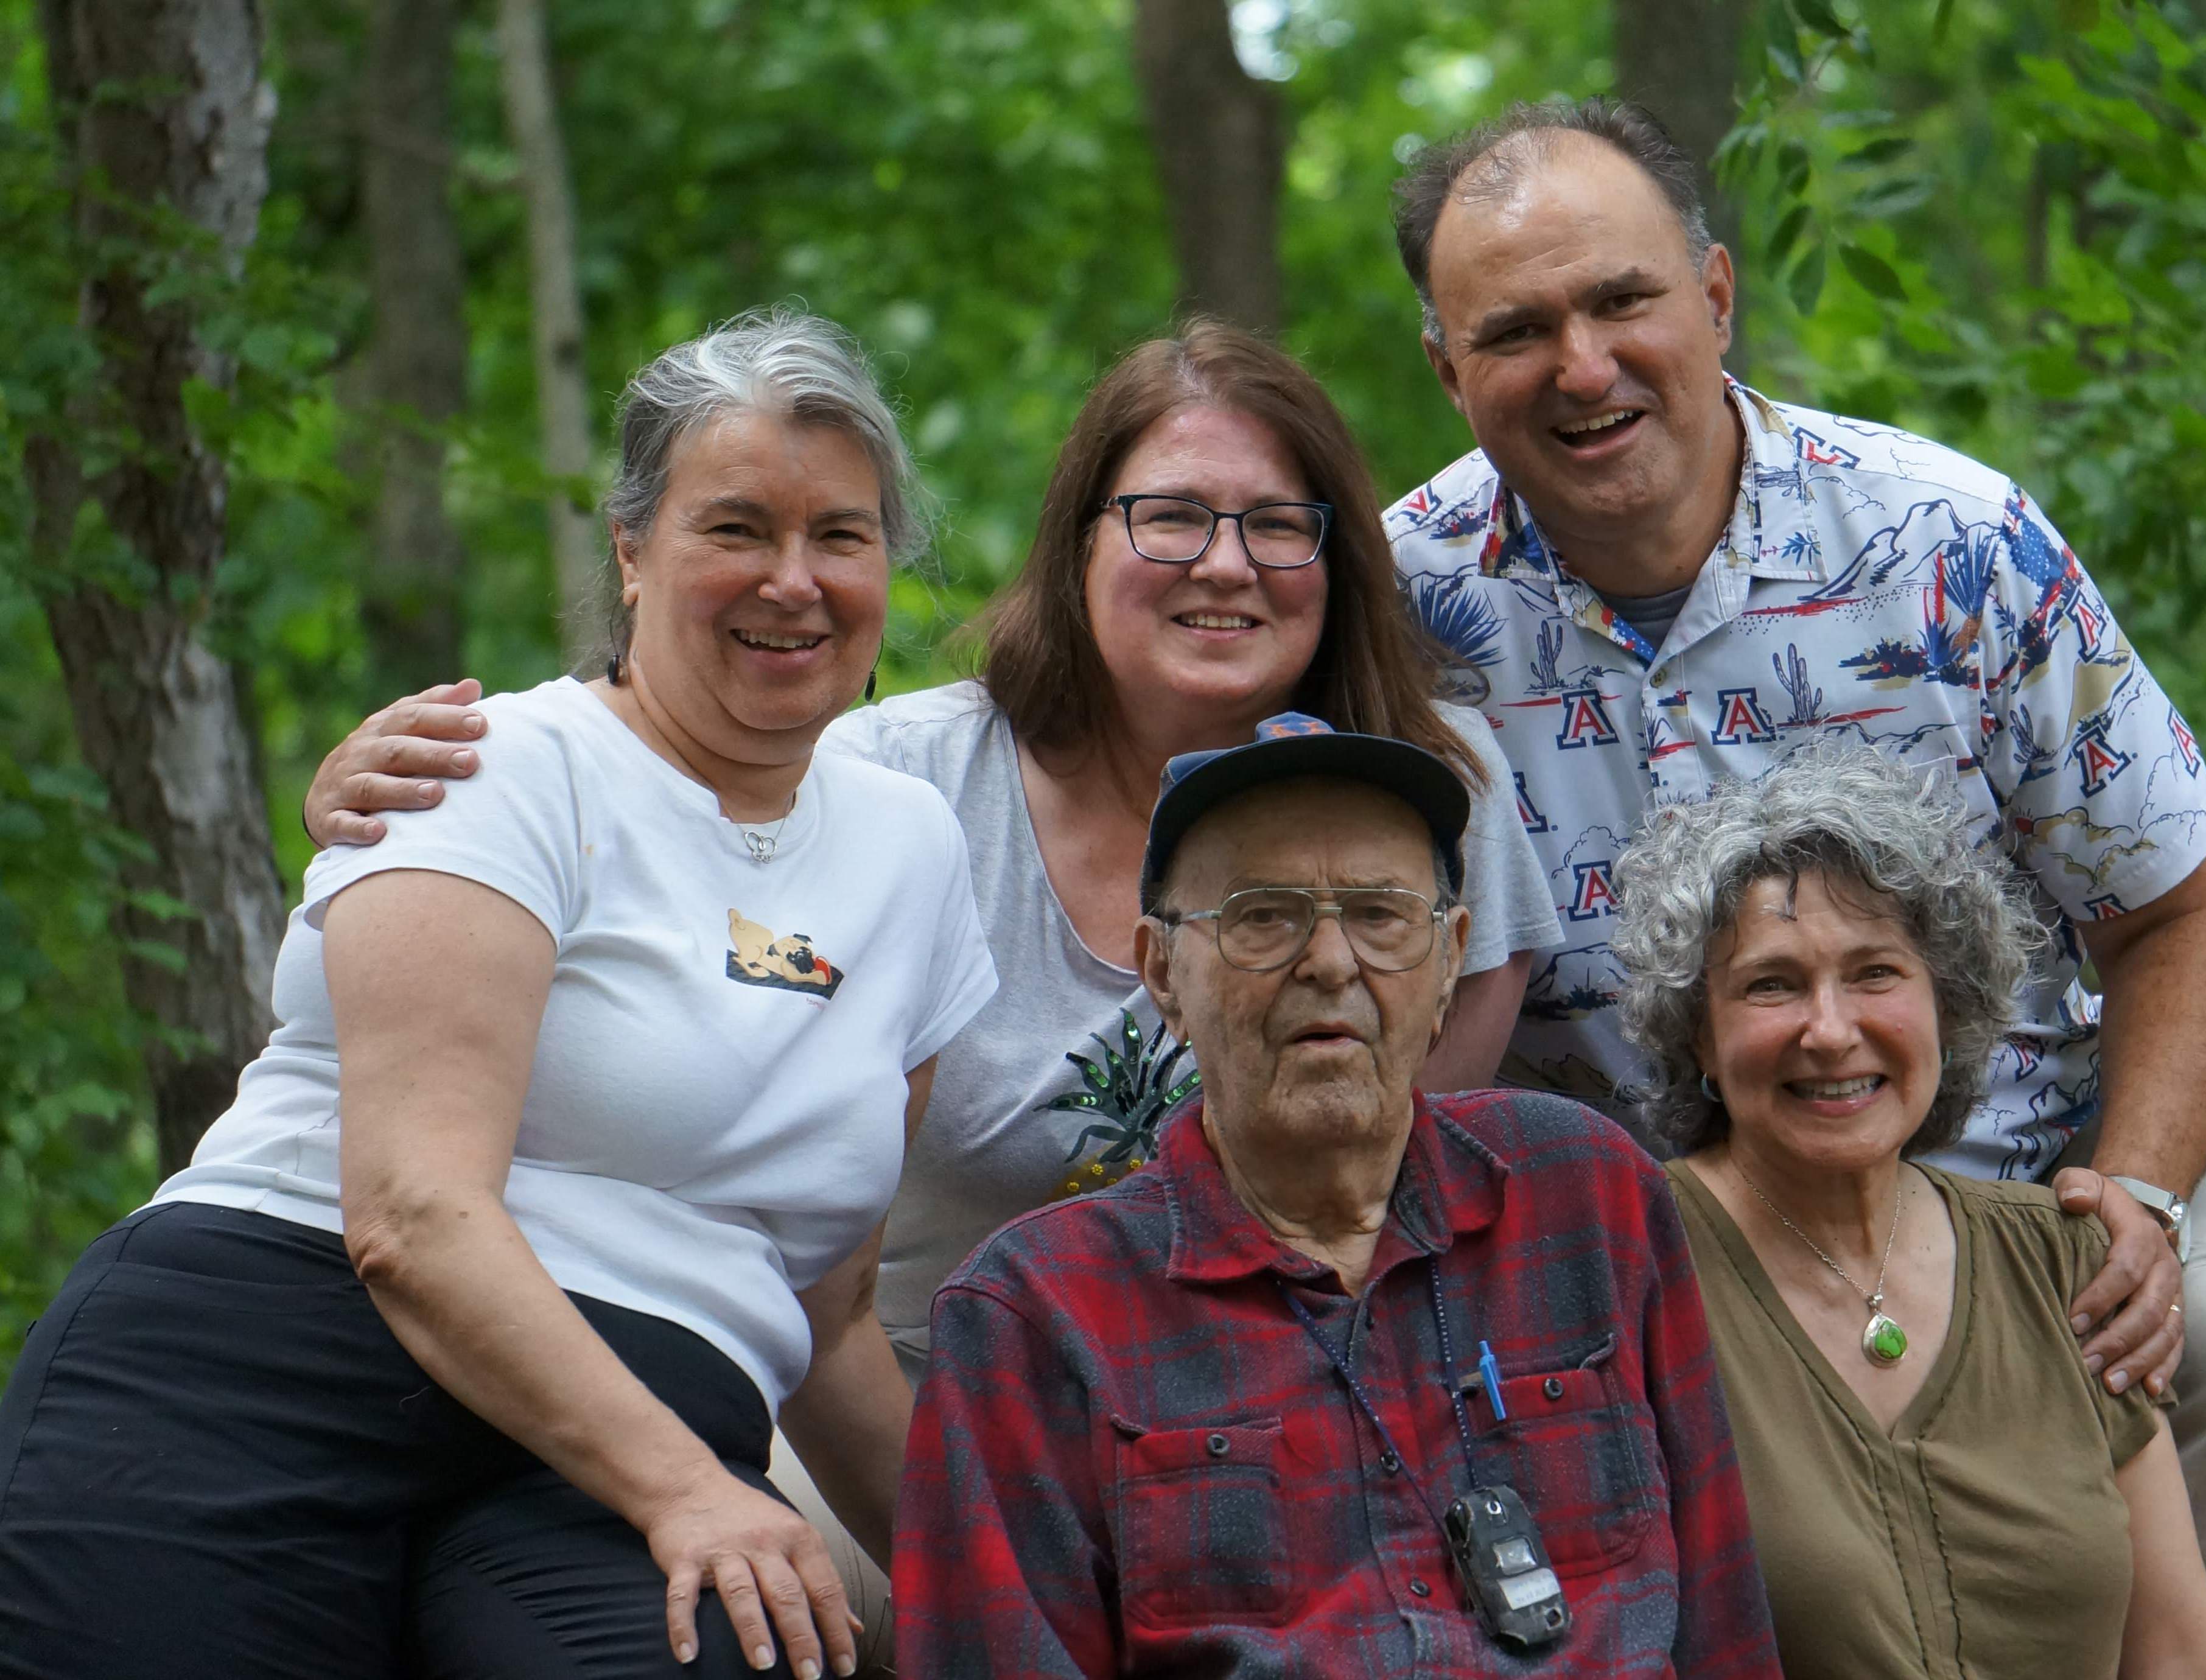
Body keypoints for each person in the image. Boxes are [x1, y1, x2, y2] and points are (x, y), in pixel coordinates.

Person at [291, 320, 1562, 1661]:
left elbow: (1391, 1216)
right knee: (761, 1625)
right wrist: (424, 787)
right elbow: (642, 855)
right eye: (1171, 517)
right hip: (901, 1420)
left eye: (1277, 524)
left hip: (1281, 1428)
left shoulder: (1436, 793)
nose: (1227, 564)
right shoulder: (895, 786)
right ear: (1079, 543)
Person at [1384, 97, 2206, 1674]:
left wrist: (2143, 1201)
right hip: (1668, 1232)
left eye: (1620, 300)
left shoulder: (1947, 543)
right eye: (1516, 330)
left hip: (2043, 1157)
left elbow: (2177, 910)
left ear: (1711, 295)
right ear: (1446, 368)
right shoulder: (1402, 621)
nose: (1581, 366)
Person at [0, 309, 998, 1680]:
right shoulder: (497, 765)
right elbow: (412, 1215)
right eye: (735, 529)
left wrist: (1019, 1619)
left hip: (614, 1460)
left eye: (841, 535)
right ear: (631, 550)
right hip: (267, 1368)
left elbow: (825, 1317)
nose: (793, 578)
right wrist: (689, 1491)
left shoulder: (914, 850)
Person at [891, 713, 1779, 1678]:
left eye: (1381, 914)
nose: (1329, 961)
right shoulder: (1032, 1316)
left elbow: (1726, 1620)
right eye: (1263, 916)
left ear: (1450, 962)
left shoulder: (1585, 1191)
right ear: (1163, 976)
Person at [1610, 740, 2206, 1678]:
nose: (1830, 1031)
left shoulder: (2062, 1263)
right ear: (1699, 1035)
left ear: (1946, 1015)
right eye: (1772, 985)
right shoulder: (1634, 1267)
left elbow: (2183, 1653)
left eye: (1876, 974)